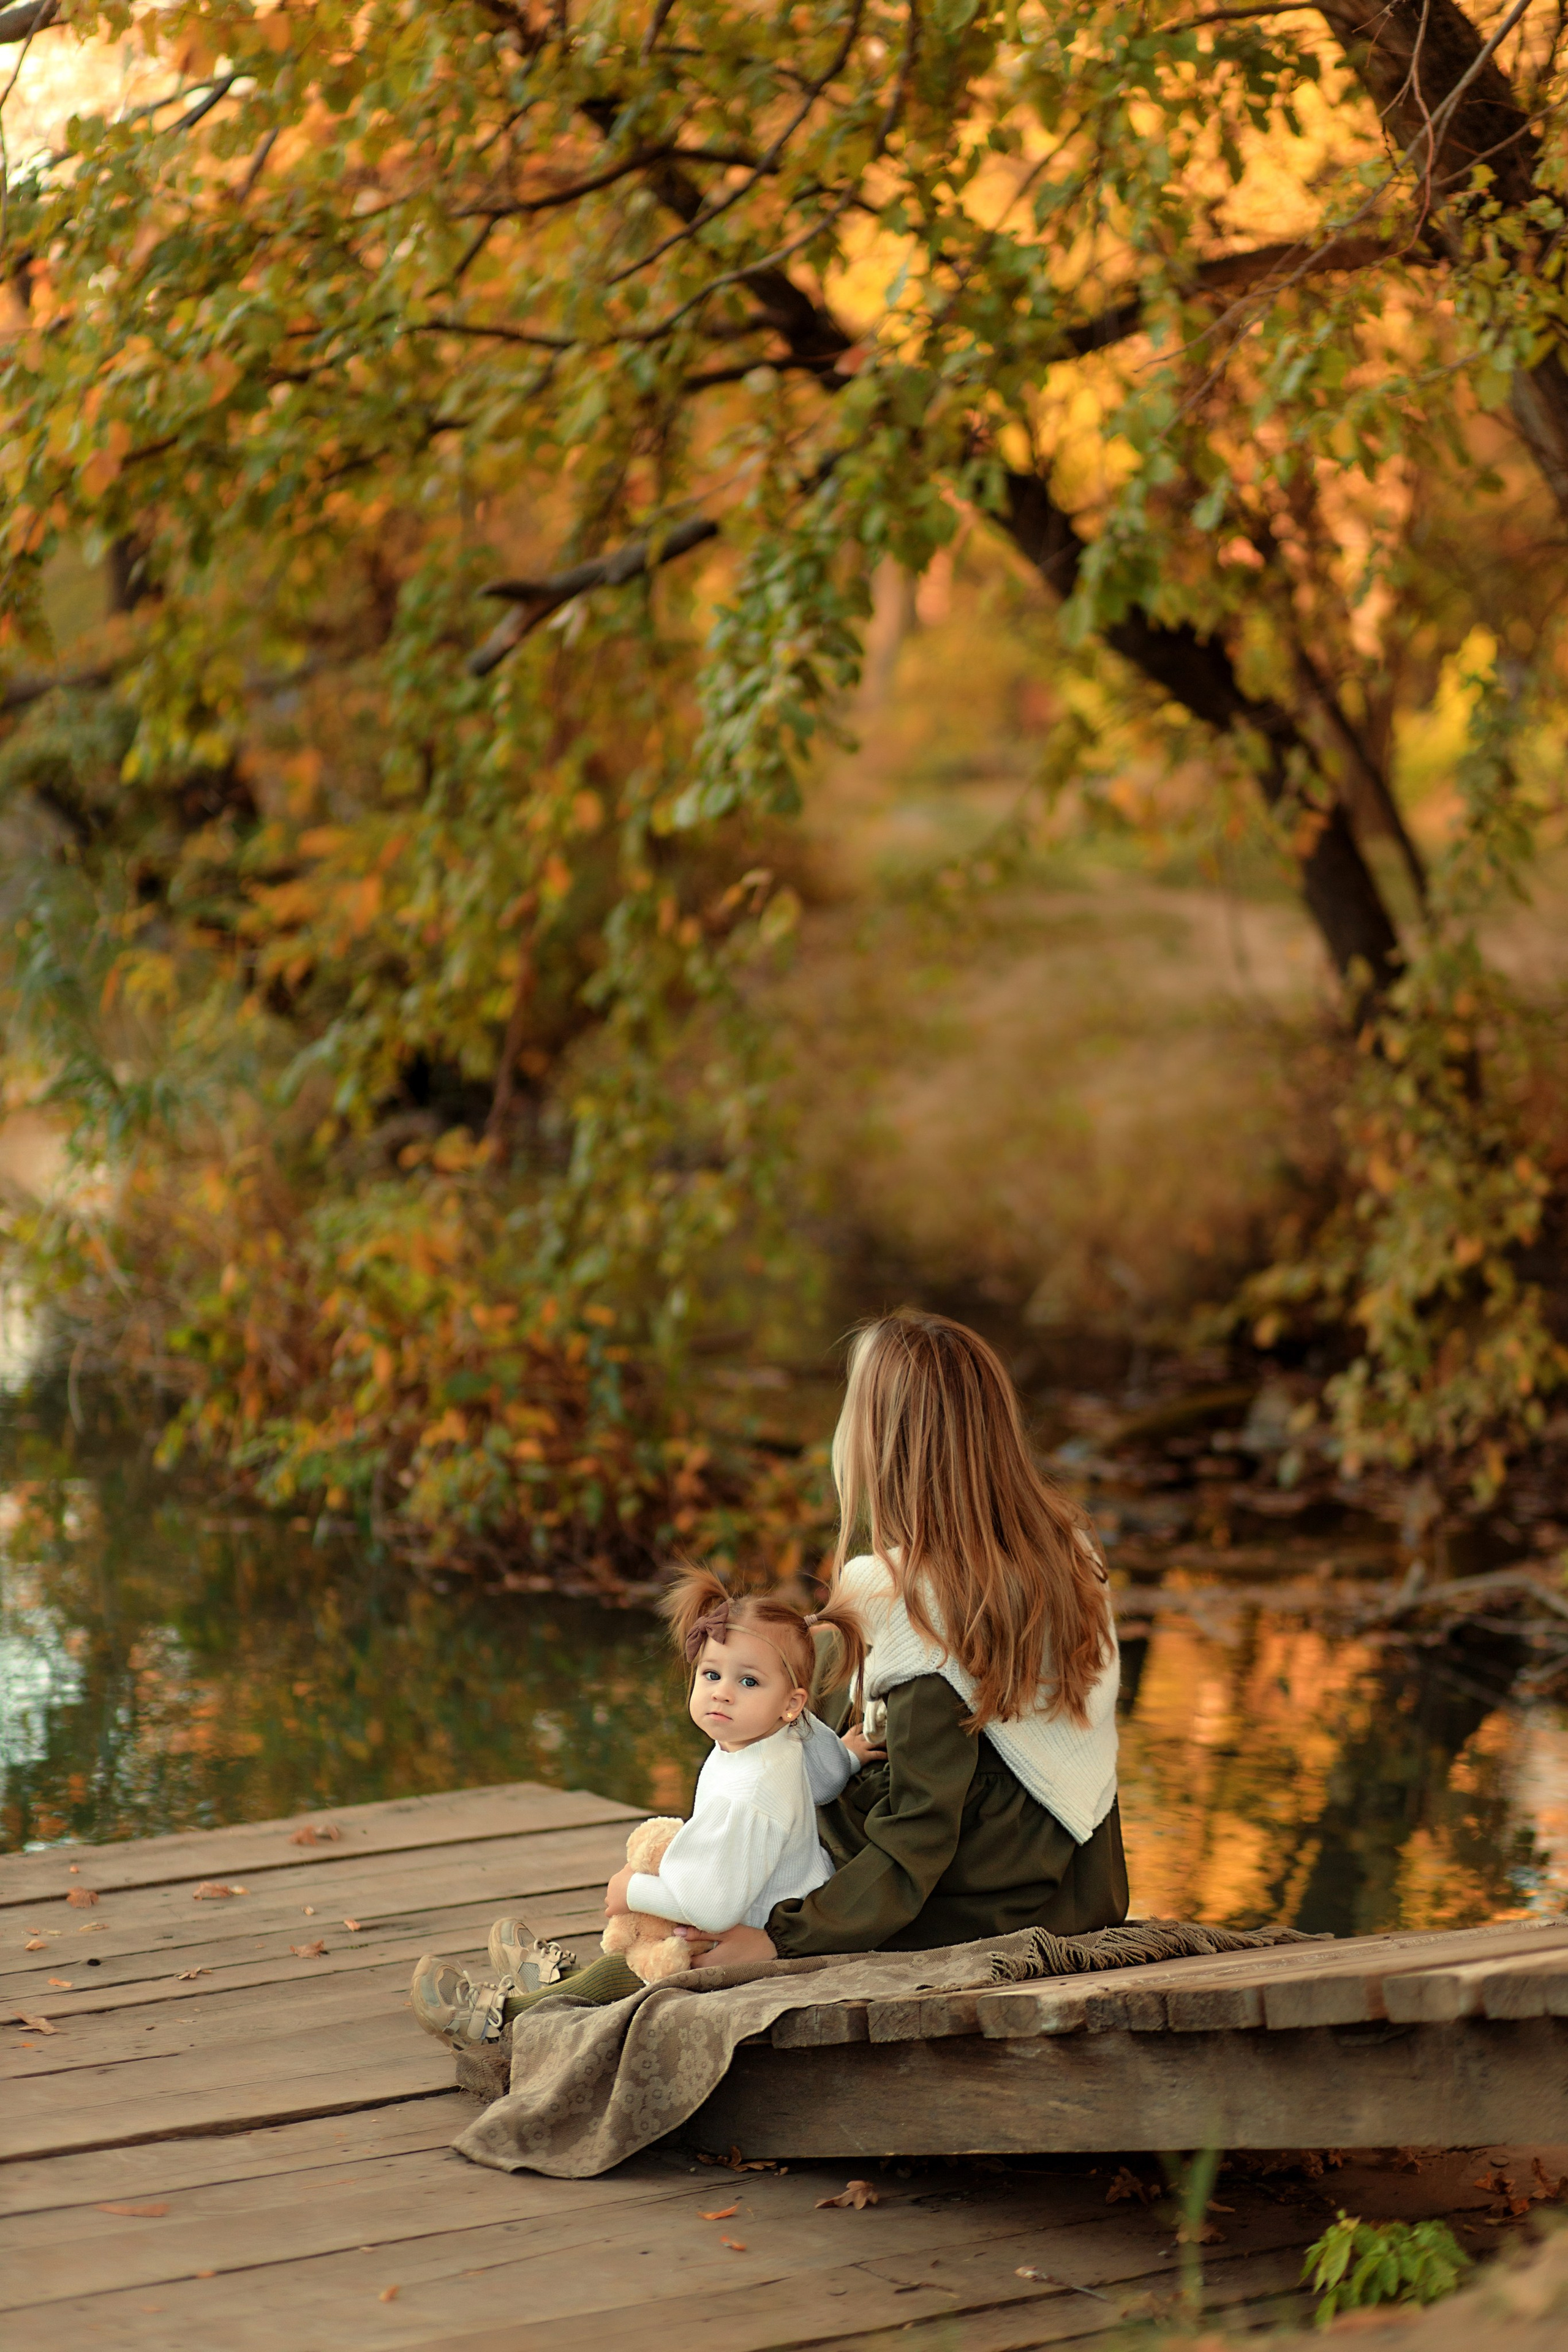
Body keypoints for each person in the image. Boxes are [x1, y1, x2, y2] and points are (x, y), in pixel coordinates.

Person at [672, 1311, 1127, 1971]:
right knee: (819, 1646)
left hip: (968, 1901)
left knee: (787, 1708)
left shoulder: (900, 1592)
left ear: (881, 1442)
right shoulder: (1072, 1552)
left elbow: (920, 1826)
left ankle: (557, 1983)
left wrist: (782, 1936)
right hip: (1080, 1886)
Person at [408, 1571, 867, 2043]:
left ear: (790, 1703)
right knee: (650, 1929)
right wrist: (849, 1755)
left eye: (748, 1681)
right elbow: (828, 1780)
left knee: (636, 1967)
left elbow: (711, 1907)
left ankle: (506, 2019)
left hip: (744, 1932)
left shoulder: (749, 1794)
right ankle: (559, 1985)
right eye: (712, 1674)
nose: (722, 1692)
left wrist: (633, 1891)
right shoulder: (784, 1731)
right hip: (778, 1900)